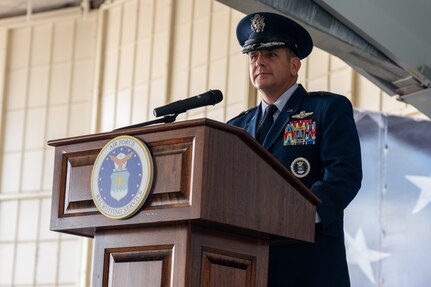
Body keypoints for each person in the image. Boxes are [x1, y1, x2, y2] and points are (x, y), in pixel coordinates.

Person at [227, 12, 362, 287]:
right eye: (253, 57)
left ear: (294, 65)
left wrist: (297, 217)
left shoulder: (326, 109)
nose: (259, 62)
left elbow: (343, 175)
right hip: (248, 264)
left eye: (271, 54)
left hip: (308, 261)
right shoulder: (236, 127)